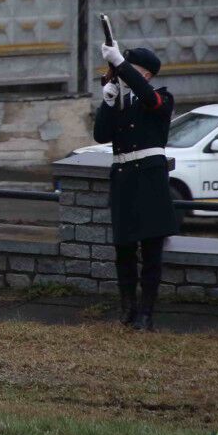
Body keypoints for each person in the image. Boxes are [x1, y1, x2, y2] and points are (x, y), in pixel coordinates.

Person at [93, 41, 179, 330]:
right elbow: (100, 135)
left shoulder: (160, 99)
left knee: (151, 252)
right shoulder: (122, 103)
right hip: (124, 178)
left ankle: (146, 313)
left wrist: (120, 63)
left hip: (150, 180)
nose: (120, 76)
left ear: (145, 75)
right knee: (124, 250)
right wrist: (107, 102)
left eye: (127, 71)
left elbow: (149, 101)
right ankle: (128, 308)